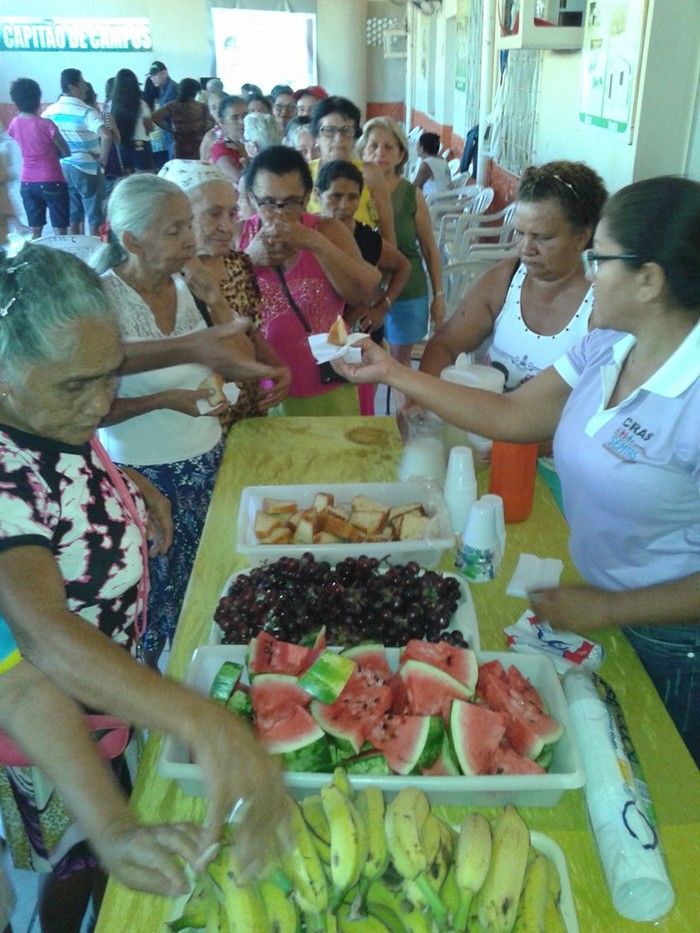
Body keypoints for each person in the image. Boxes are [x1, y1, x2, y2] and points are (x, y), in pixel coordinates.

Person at [333, 175, 700, 767]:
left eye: (599, 257)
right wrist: (394, 374)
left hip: (673, 639)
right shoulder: (608, 346)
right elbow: (512, 412)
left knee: (668, 789)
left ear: (651, 280)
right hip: (602, 591)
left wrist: (610, 610)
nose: (588, 269)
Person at [0, 243, 286, 929]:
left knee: (100, 852)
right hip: (41, 736)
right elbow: (36, 639)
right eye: (76, 387)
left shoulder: (46, 416)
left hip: (106, 706)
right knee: (66, 869)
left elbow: (63, 473)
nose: (101, 403)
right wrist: (200, 718)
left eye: (111, 375)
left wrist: (125, 484)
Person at [92, 174, 258, 664]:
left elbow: (238, 358)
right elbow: (89, 411)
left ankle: (201, 675)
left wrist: (217, 301)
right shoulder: (101, 302)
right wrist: (165, 398)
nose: (190, 238)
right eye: (172, 230)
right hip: (147, 479)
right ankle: (153, 709)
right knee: (154, 604)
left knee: (209, 586)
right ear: (130, 240)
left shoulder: (190, 285)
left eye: (189, 224)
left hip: (206, 461)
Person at [419, 161, 608, 390]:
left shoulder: (601, 308)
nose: (526, 248)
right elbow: (445, 345)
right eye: (520, 232)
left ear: (582, 236)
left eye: (543, 237)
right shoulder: (507, 279)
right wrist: (426, 403)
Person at [238, 145, 382, 416]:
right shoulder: (239, 237)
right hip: (266, 387)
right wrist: (248, 260)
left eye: (290, 202)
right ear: (251, 198)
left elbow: (362, 295)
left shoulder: (328, 230)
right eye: (268, 202)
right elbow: (219, 313)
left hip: (330, 379)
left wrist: (315, 243)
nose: (279, 213)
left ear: (306, 198)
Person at [159, 159, 291, 424]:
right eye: (213, 213)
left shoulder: (237, 263)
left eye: (232, 213)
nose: (227, 227)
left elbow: (250, 332)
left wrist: (278, 368)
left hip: (246, 414)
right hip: (198, 422)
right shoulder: (164, 280)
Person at [316, 159, 411, 416]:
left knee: (360, 408)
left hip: (360, 336)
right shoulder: (310, 235)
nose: (344, 205)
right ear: (317, 195)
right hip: (320, 338)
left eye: (352, 197)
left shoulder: (366, 238)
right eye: (335, 196)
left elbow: (404, 266)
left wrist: (383, 307)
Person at [358, 116, 445, 364]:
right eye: (373, 146)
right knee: (363, 364)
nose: (380, 153)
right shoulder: (352, 192)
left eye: (389, 147)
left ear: (401, 155)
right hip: (361, 294)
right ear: (362, 150)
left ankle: (405, 405)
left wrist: (439, 296)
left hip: (407, 292)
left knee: (397, 368)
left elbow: (429, 249)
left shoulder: (411, 195)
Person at [306, 96, 395, 244]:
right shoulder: (305, 174)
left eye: (346, 130)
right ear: (316, 136)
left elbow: (388, 234)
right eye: (329, 131)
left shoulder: (370, 174)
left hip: (363, 256)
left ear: (355, 136)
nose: (339, 138)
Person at [42, 68, 111, 236]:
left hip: (64, 167)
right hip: (87, 168)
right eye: (82, 83)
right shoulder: (86, 111)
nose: (86, 88)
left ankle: (78, 249)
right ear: (72, 87)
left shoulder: (50, 111)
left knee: (74, 213)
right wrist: (103, 159)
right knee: (96, 215)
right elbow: (106, 135)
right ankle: (97, 251)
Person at [8, 78, 70, 239]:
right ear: (38, 98)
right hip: (52, 179)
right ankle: (59, 261)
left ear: (15, 101)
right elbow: (66, 151)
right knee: (60, 230)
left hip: (27, 182)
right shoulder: (47, 124)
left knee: (35, 230)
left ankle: (34, 260)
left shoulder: (14, 123)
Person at [152, 78, 214, 160]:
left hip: (179, 144)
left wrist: (169, 129)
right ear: (195, 92)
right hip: (198, 144)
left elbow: (155, 116)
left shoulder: (173, 105)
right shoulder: (202, 107)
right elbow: (213, 123)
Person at [109, 68, 154, 174]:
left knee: (127, 183)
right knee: (144, 183)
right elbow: (150, 128)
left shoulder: (111, 106)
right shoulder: (141, 104)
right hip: (140, 146)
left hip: (122, 147)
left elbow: (109, 127)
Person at [203, 95, 248, 184]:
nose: (242, 122)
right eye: (235, 118)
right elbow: (241, 180)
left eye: (245, 116)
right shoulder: (220, 148)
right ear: (222, 122)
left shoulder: (248, 141)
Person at [144, 61, 178, 166]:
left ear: (164, 73)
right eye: (150, 76)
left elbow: (168, 115)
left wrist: (171, 130)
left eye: (155, 75)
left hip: (175, 135)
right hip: (170, 135)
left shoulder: (172, 89)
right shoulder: (164, 89)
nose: (152, 78)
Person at [413, 131, 451, 197]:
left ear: (422, 148)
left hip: (434, 203)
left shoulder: (427, 164)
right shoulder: (442, 160)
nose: (416, 148)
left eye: (417, 145)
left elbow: (414, 187)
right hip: (447, 201)